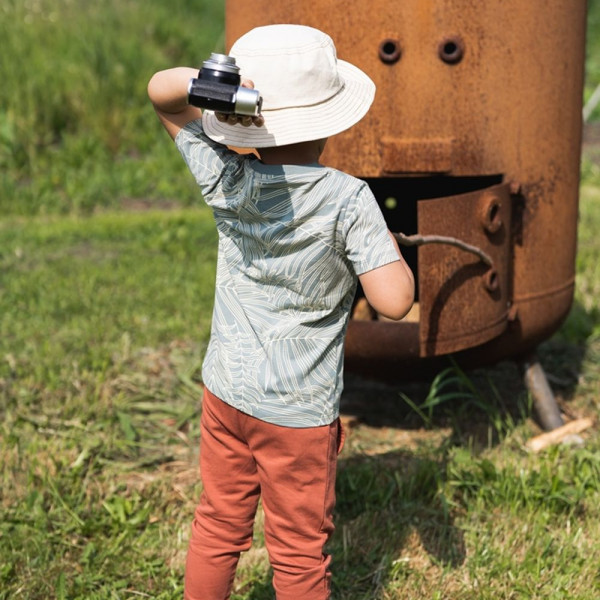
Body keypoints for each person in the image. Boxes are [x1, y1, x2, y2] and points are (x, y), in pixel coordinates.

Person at [148, 23, 414, 600]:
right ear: (330, 116)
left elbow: (159, 92)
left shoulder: (228, 177)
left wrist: (217, 92)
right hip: (296, 412)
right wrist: (387, 246)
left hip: (226, 393)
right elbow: (395, 302)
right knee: (297, 554)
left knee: (218, 524)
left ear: (244, 111)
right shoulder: (349, 198)